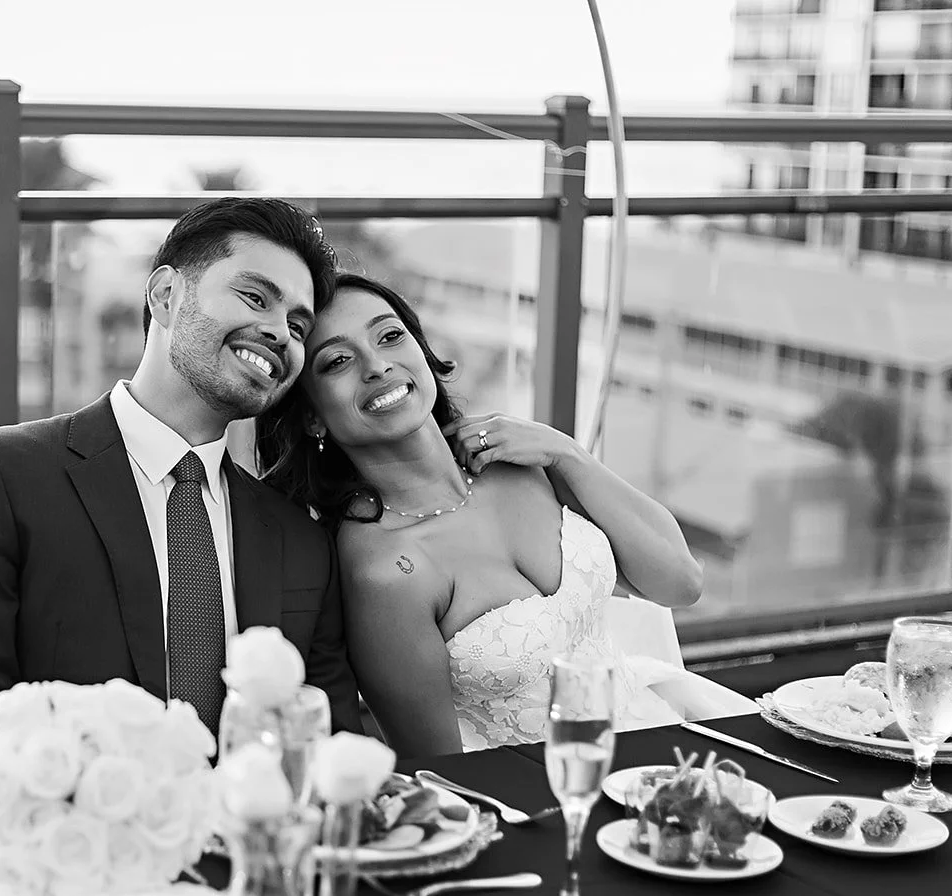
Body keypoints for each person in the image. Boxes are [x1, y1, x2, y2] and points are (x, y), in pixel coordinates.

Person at [0, 197, 362, 805]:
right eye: (255, 298)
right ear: (166, 295)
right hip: (72, 868)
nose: (279, 333)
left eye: (299, 327)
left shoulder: (298, 539)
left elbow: (333, 752)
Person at [255, 273, 707, 757]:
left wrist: (568, 453)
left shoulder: (524, 463)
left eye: (390, 336)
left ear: (422, 351)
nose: (377, 366)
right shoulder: (386, 570)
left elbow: (680, 583)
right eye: (338, 361)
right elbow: (442, 770)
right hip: (549, 805)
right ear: (312, 416)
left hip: (665, 742)